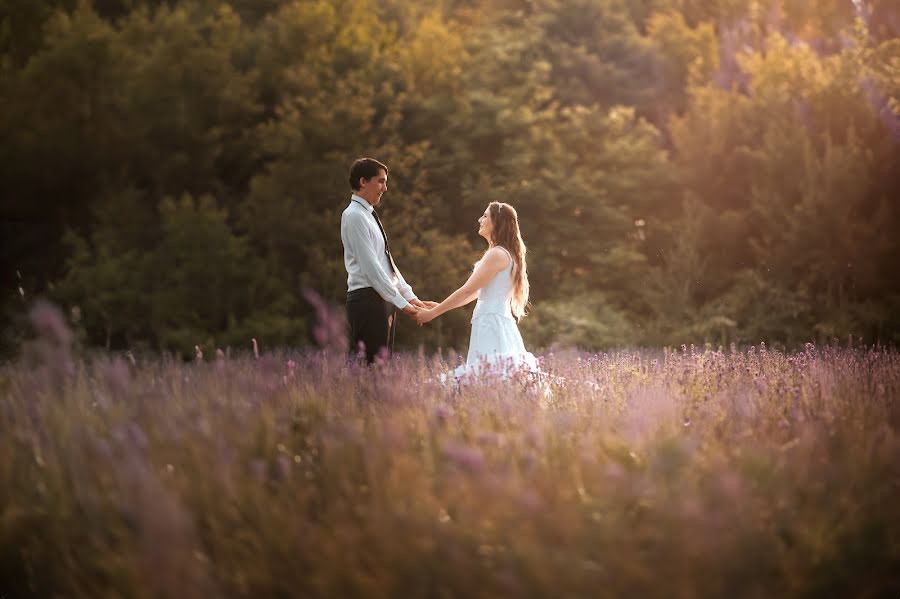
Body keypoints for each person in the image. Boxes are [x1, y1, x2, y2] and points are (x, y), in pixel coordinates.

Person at [414, 201, 541, 383]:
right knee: (495, 377)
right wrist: (441, 306)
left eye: (485, 216)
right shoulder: (505, 254)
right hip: (496, 322)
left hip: (491, 323)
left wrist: (433, 314)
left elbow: (467, 290)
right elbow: (476, 294)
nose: (480, 219)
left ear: (496, 222)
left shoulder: (497, 254)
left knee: (486, 377)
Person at [340, 158, 435, 363]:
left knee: (381, 371)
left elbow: (386, 262)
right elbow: (371, 268)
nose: (385, 188)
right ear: (363, 181)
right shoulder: (354, 216)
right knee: (370, 370)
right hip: (366, 301)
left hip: (380, 300)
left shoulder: (368, 214)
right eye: (381, 181)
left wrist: (410, 297)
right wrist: (402, 304)